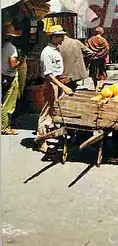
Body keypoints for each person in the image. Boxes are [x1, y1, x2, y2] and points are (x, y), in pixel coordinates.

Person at [36, 25, 74, 153]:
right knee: (46, 113)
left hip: (56, 83)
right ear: (53, 37)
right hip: (50, 84)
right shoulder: (47, 52)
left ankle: (50, 135)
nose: (63, 39)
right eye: (60, 36)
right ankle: (41, 141)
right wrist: (63, 86)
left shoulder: (55, 50)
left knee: (53, 111)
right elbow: (49, 75)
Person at [1, 24, 24, 135]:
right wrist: (21, 61)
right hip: (10, 76)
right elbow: (13, 65)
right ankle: (4, 126)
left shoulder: (4, 46)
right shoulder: (11, 48)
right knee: (8, 103)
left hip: (4, 75)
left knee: (5, 101)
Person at [87, 27, 110, 91]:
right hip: (101, 60)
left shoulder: (90, 40)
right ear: (102, 32)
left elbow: (86, 48)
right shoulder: (103, 40)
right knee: (102, 73)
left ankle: (96, 88)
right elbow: (107, 48)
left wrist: (92, 54)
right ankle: (101, 85)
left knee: (94, 74)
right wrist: (102, 55)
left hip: (93, 59)